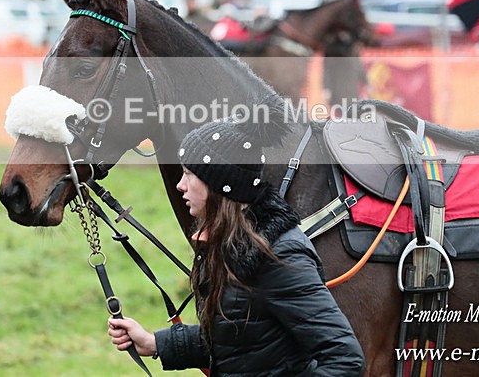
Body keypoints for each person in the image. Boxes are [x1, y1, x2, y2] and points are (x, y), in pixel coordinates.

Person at [107, 100, 365, 376]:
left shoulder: (278, 256)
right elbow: (237, 339)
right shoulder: (232, 244)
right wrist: (156, 342)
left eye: (189, 174)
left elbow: (345, 359)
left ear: (219, 185)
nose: (180, 185)